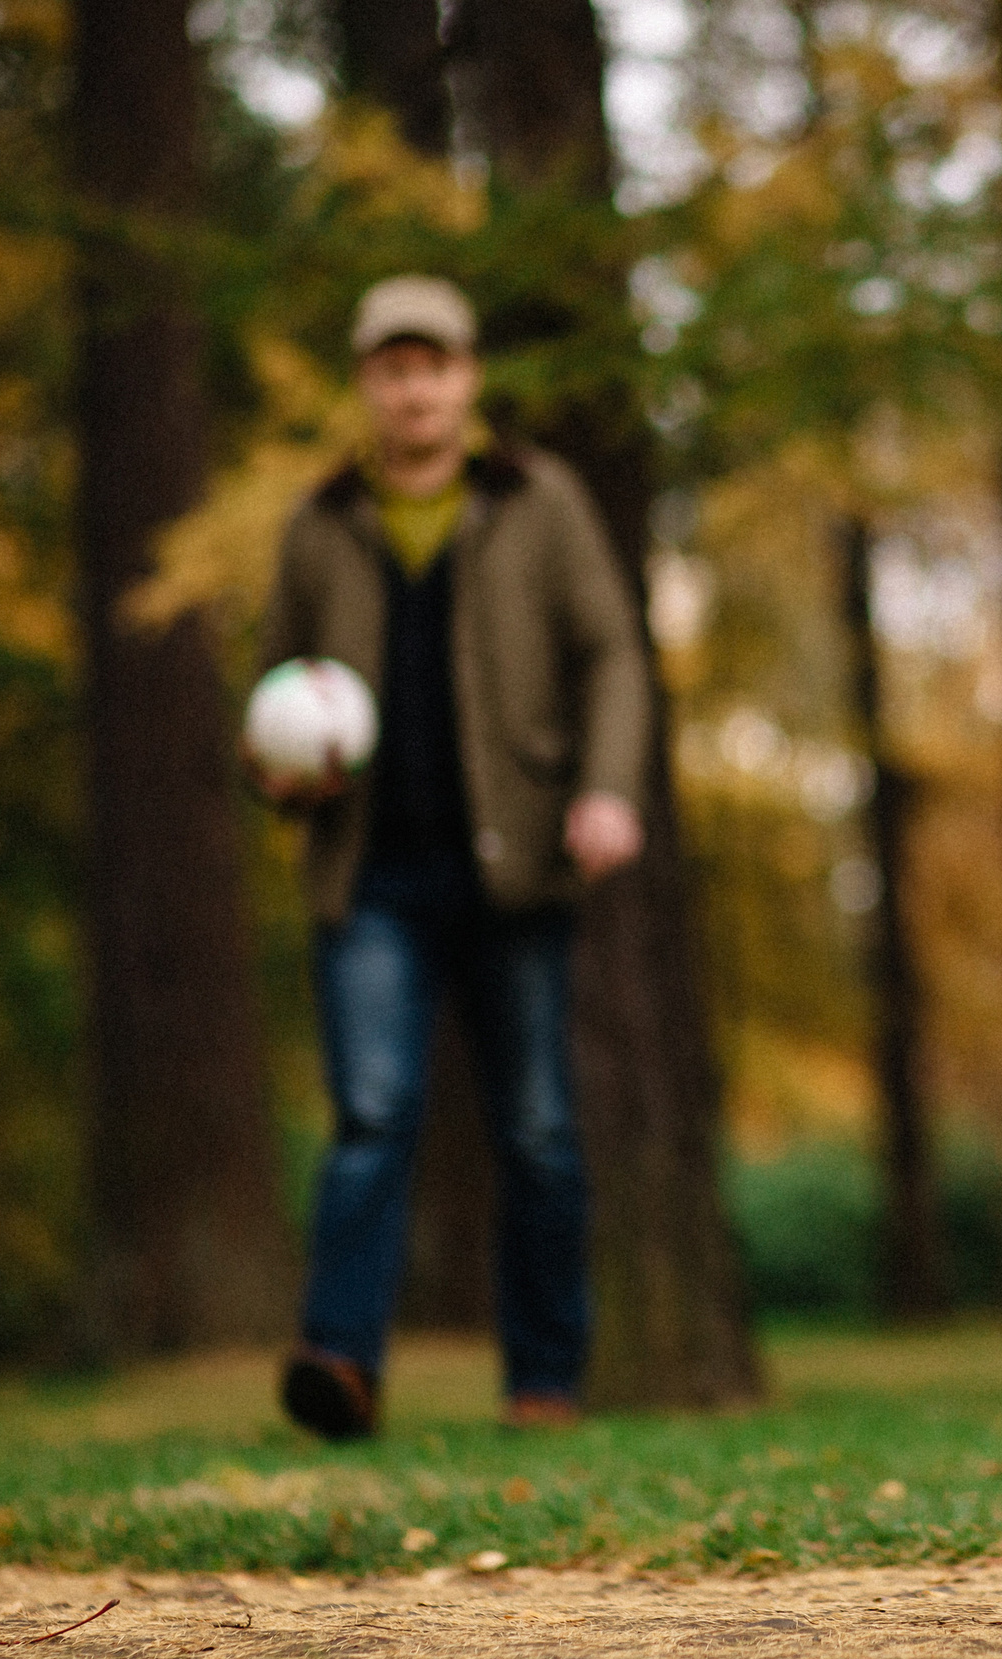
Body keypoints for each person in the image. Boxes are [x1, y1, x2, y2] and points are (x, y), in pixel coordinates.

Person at [254, 275, 649, 1439]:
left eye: (433, 365)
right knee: (371, 1116)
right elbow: (273, 688)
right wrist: (272, 768)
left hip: (515, 866)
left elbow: (613, 654)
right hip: (369, 875)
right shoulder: (319, 522)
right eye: (391, 367)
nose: (414, 386)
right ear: (367, 386)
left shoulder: (539, 501)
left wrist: (608, 789)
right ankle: (340, 1367)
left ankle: (544, 1380)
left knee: (536, 1126)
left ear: (466, 379)